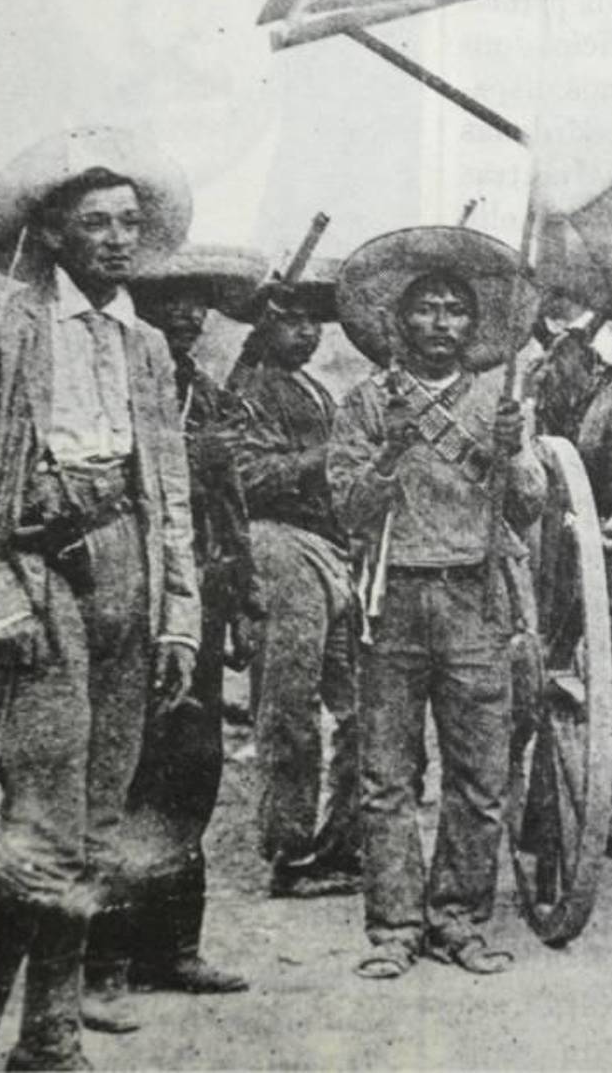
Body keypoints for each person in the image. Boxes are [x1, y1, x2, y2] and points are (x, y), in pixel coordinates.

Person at [0, 126, 199, 1068]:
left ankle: (47, 1041)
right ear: (50, 233)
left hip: (128, 570)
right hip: (38, 579)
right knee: (37, 828)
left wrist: (182, 617)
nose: (118, 239)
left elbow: (169, 490)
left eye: (129, 222)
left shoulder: (148, 345)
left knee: (95, 830)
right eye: (96, 223)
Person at [328, 226, 543, 980]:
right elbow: (349, 510)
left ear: (474, 323)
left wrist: (514, 450)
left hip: (474, 600)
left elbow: (528, 508)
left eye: (456, 309)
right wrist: (389, 449)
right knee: (387, 777)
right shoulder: (363, 405)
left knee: (479, 777)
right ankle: (393, 928)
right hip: (392, 603)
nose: (442, 323)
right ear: (399, 321)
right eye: (427, 309)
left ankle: (459, 920)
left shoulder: (501, 404)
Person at [117, 245, 271, 998]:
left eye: (196, 301)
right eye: (167, 299)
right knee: (121, 773)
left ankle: (174, 947)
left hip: (200, 601)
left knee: (191, 769)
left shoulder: (206, 394)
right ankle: (102, 960)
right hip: (126, 596)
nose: (183, 313)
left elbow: (230, 505)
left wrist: (241, 598)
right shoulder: (114, 379)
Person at [229, 269, 361, 899]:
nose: (306, 333)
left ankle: (342, 844)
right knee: (289, 707)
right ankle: (288, 850)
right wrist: (327, 459)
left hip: (328, 550)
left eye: (313, 322)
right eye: (292, 321)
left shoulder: (311, 389)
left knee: (360, 704)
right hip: (277, 545)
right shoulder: (248, 387)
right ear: (264, 324)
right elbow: (247, 477)